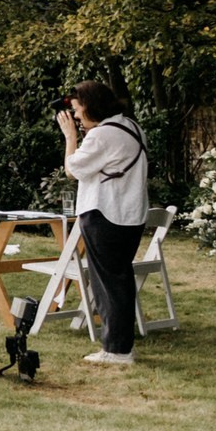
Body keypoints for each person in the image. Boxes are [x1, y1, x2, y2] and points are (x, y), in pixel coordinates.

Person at [58, 79, 151, 366]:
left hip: (105, 214)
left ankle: (117, 350)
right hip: (131, 215)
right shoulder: (132, 127)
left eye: (78, 109)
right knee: (119, 280)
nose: (75, 116)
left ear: (91, 106)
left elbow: (73, 169)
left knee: (108, 283)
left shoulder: (102, 136)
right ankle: (119, 346)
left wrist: (70, 138)